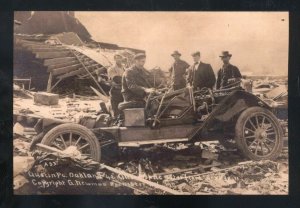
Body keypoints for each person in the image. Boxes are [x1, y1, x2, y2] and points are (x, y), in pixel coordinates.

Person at [107, 53, 125, 118]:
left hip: (123, 91)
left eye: (120, 58)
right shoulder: (111, 69)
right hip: (116, 91)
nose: (119, 59)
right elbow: (116, 79)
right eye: (117, 58)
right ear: (115, 59)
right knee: (116, 109)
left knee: (123, 108)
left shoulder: (124, 68)